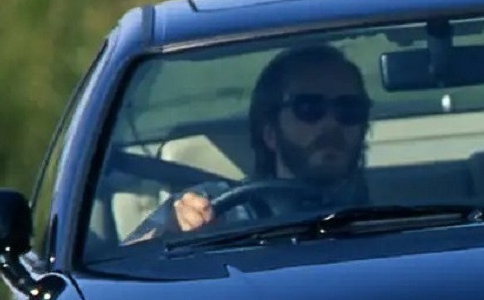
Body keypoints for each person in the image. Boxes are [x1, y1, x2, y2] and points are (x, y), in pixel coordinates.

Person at [127, 43, 374, 241]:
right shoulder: (214, 208)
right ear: (270, 133)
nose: (331, 123)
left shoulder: (392, 211)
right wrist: (172, 230)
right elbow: (129, 270)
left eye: (348, 109)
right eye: (309, 108)